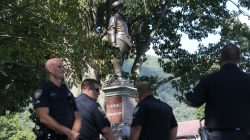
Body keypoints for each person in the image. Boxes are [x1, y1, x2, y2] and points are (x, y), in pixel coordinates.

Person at [184, 43, 250, 140]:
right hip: (243, 135)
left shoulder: (209, 79)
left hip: (216, 136)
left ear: (221, 58)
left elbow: (190, 100)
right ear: (239, 60)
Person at [33, 58, 81, 140]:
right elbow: (43, 118)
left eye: (63, 67)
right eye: (59, 67)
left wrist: (73, 133)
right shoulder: (44, 90)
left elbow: (77, 116)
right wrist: (68, 132)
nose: (63, 69)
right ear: (50, 69)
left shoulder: (67, 91)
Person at [102, 0, 132, 80]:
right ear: (117, 9)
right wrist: (113, 43)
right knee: (117, 59)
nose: (123, 10)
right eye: (121, 8)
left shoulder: (123, 20)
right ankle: (118, 76)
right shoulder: (113, 18)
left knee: (121, 60)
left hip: (125, 41)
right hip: (118, 40)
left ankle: (117, 76)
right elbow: (111, 30)